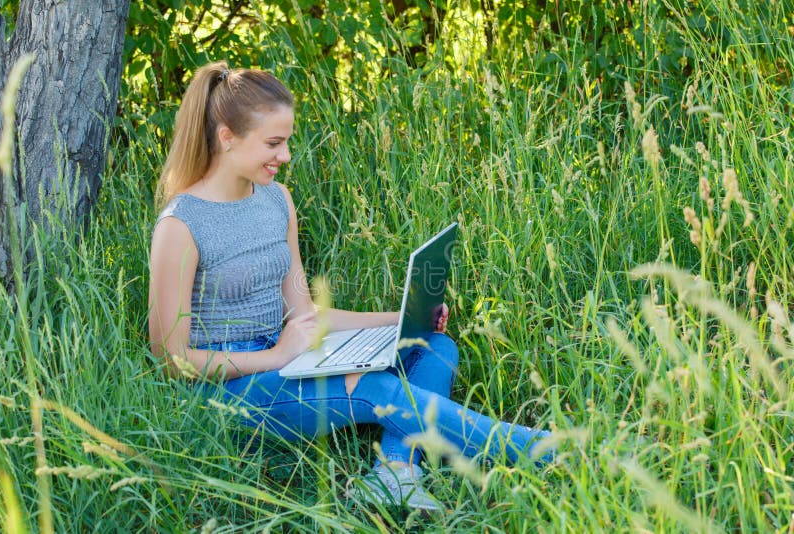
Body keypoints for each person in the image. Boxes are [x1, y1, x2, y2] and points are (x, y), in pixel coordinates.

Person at [148, 61, 552, 511]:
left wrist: (401, 320)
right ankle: (550, 453)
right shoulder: (181, 224)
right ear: (227, 137)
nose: (285, 156)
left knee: (434, 347)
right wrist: (276, 356)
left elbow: (303, 314)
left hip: (289, 356)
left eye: (287, 141)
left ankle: (394, 471)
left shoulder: (276, 200)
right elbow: (171, 359)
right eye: (274, 143)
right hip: (227, 390)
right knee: (372, 386)